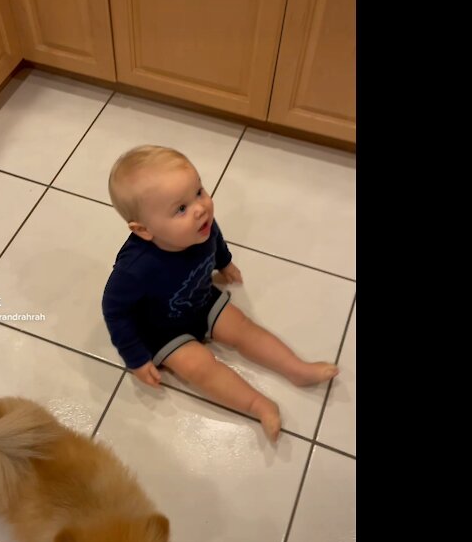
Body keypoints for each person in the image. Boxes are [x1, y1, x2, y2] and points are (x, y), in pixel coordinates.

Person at [101, 145, 338, 444]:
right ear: (144, 230)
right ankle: (258, 405)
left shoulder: (201, 227)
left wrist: (224, 262)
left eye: (198, 191)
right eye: (181, 209)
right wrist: (134, 357)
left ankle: (298, 369)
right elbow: (114, 310)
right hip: (160, 330)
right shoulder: (134, 269)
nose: (200, 208)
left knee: (244, 329)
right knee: (198, 367)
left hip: (200, 300)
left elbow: (216, 240)